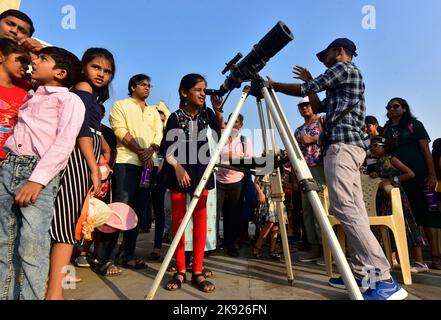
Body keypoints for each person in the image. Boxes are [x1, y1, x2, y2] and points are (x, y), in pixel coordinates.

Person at [267, 38, 407, 300]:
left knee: (344, 207)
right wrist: (312, 87)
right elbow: (318, 106)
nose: (324, 62)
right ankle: (361, 272)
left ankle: (383, 277)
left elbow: (305, 89)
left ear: (340, 52)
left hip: (342, 148)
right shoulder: (343, 79)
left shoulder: (344, 68)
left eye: (326, 56)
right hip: (347, 148)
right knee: (353, 210)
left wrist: (272, 86)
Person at [0, 46, 84, 300]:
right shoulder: (31, 95)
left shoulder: (70, 100)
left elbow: (64, 143)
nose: (34, 62)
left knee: (32, 247)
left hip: (37, 171)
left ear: (60, 73)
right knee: (5, 243)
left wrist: (37, 180)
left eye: (42, 59)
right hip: (9, 167)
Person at [45, 48, 116, 299]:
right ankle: (54, 293)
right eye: (96, 67)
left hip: (86, 154)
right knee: (68, 222)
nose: (102, 74)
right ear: (83, 66)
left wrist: (104, 147)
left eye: (107, 71)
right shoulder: (83, 89)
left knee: (73, 219)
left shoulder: (91, 95)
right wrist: (94, 168)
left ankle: (55, 282)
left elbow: (93, 128)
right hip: (79, 156)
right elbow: (82, 130)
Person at [161, 73, 223, 293]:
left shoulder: (207, 113)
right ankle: (179, 269)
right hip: (179, 171)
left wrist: (218, 111)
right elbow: (166, 149)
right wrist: (177, 167)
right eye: (198, 89)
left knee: (200, 222)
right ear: (184, 92)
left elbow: (218, 138)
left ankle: (197, 269)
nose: (203, 94)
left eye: (204, 90)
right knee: (178, 222)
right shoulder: (175, 117)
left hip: (201, 171)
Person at [107, 74, 163, 269]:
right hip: (127, 163)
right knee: (121, 209)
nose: (147, 88)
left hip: (149, 166)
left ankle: (127, 254)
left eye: (149, 85)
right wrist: (140, 152)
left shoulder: (154, 111)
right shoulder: (120, 105)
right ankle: (106, 257)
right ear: (132, 87)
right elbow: (119, 130)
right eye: (142, 84)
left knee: (137, 212)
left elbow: (159, 134)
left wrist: (150, 151)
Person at [382, 97, 441, 270]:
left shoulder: (414, 125)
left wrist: (432, 175)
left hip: (419, 175)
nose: (392, 109)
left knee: (425, 216)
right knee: (405, 216)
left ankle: (435, 257)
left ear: (404, 108)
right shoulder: (385, 129)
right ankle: (408, 257)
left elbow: (425, 150)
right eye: (389, 107)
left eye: (396, 106)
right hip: (397, 179)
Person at [369, 136, 427, 273]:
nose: (372, 148)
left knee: (408, 224)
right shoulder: (378, 162)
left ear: (385, 146)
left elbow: (410, 173)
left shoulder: (391, 159)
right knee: (389, 227)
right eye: (371, 146)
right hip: (384, 199)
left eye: (375, 145)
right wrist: (374, 174)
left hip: (397, 196)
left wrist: (392, 180)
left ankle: (420, 262)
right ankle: (393, 260)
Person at [294, 96, 327, 265]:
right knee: (307, 210)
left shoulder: (323, 120)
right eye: (301, 106)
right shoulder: (298, 130)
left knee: (320, 209)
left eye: (307, 105)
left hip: (320, 168)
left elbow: (332, 137)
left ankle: (327, 249)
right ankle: (314, 247)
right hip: (304, 170)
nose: (304, 108)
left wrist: (313, 139)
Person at [215, 113, 253, 257]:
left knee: (233, 214)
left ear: (241, 125)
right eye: (231, 121)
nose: (233, 124)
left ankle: (232, 244)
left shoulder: (245, 141)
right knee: (216, 214)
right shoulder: (221, 137)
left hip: (236, 181)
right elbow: (213, 153)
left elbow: (248, 160)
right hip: (219, 180)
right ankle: (215, 243)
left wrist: (231, 156)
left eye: (236, 122)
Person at [0, 38, 30, 159]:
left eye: (28, 63)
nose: (26, 67)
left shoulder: (24, 95)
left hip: (4, 162)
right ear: (1, 57)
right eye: (22, 60)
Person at [252, 174, 284, 260]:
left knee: (277, 222)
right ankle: (257, 246)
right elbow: (255, 182)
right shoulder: (265, 161)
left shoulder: (279, 162)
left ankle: (272, 250)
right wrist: (260, 193)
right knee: (270, 222)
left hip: (278, 192)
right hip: (267, 194)